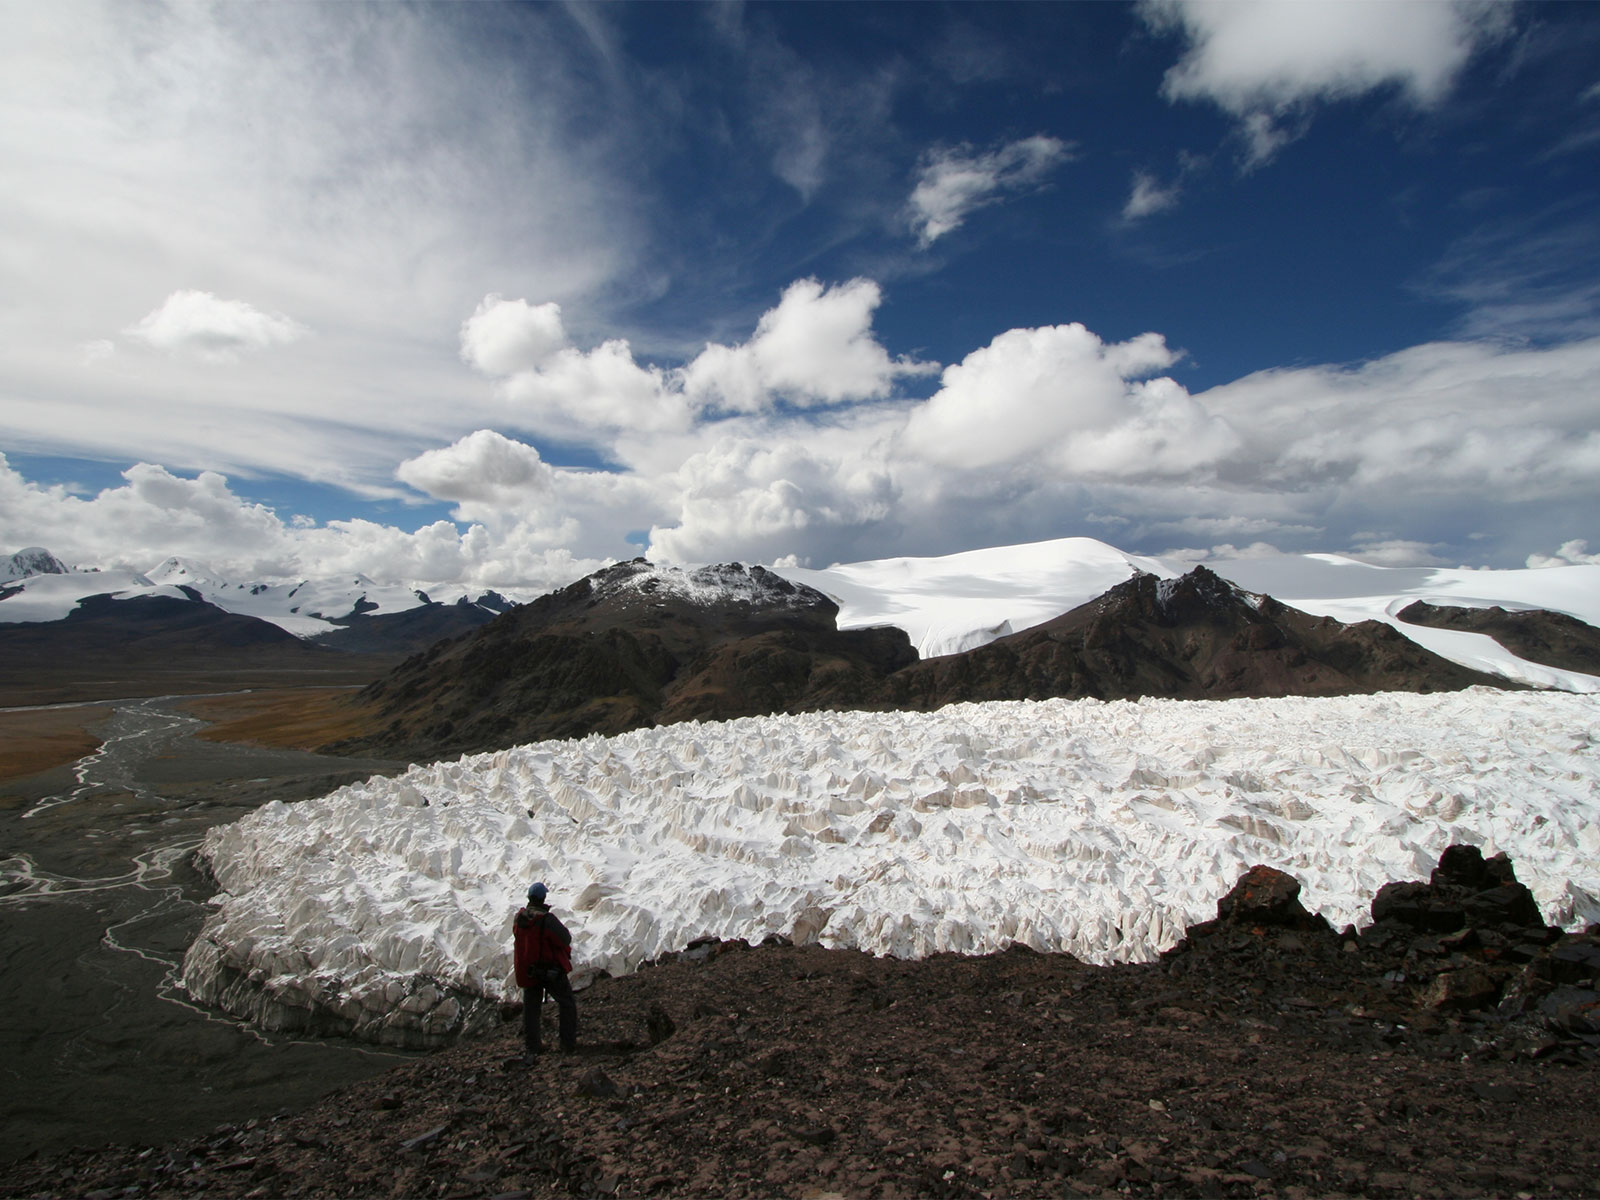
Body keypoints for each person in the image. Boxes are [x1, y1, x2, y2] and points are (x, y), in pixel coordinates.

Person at [513, 881, 577, 1057]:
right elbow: (564, 938)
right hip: (550, 971)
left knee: (531, 1009)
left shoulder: (519, 919)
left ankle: (532, 1046)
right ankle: (567, 1044)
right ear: (543, 898)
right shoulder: (547, 920)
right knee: (566, 1003)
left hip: (529, 971)